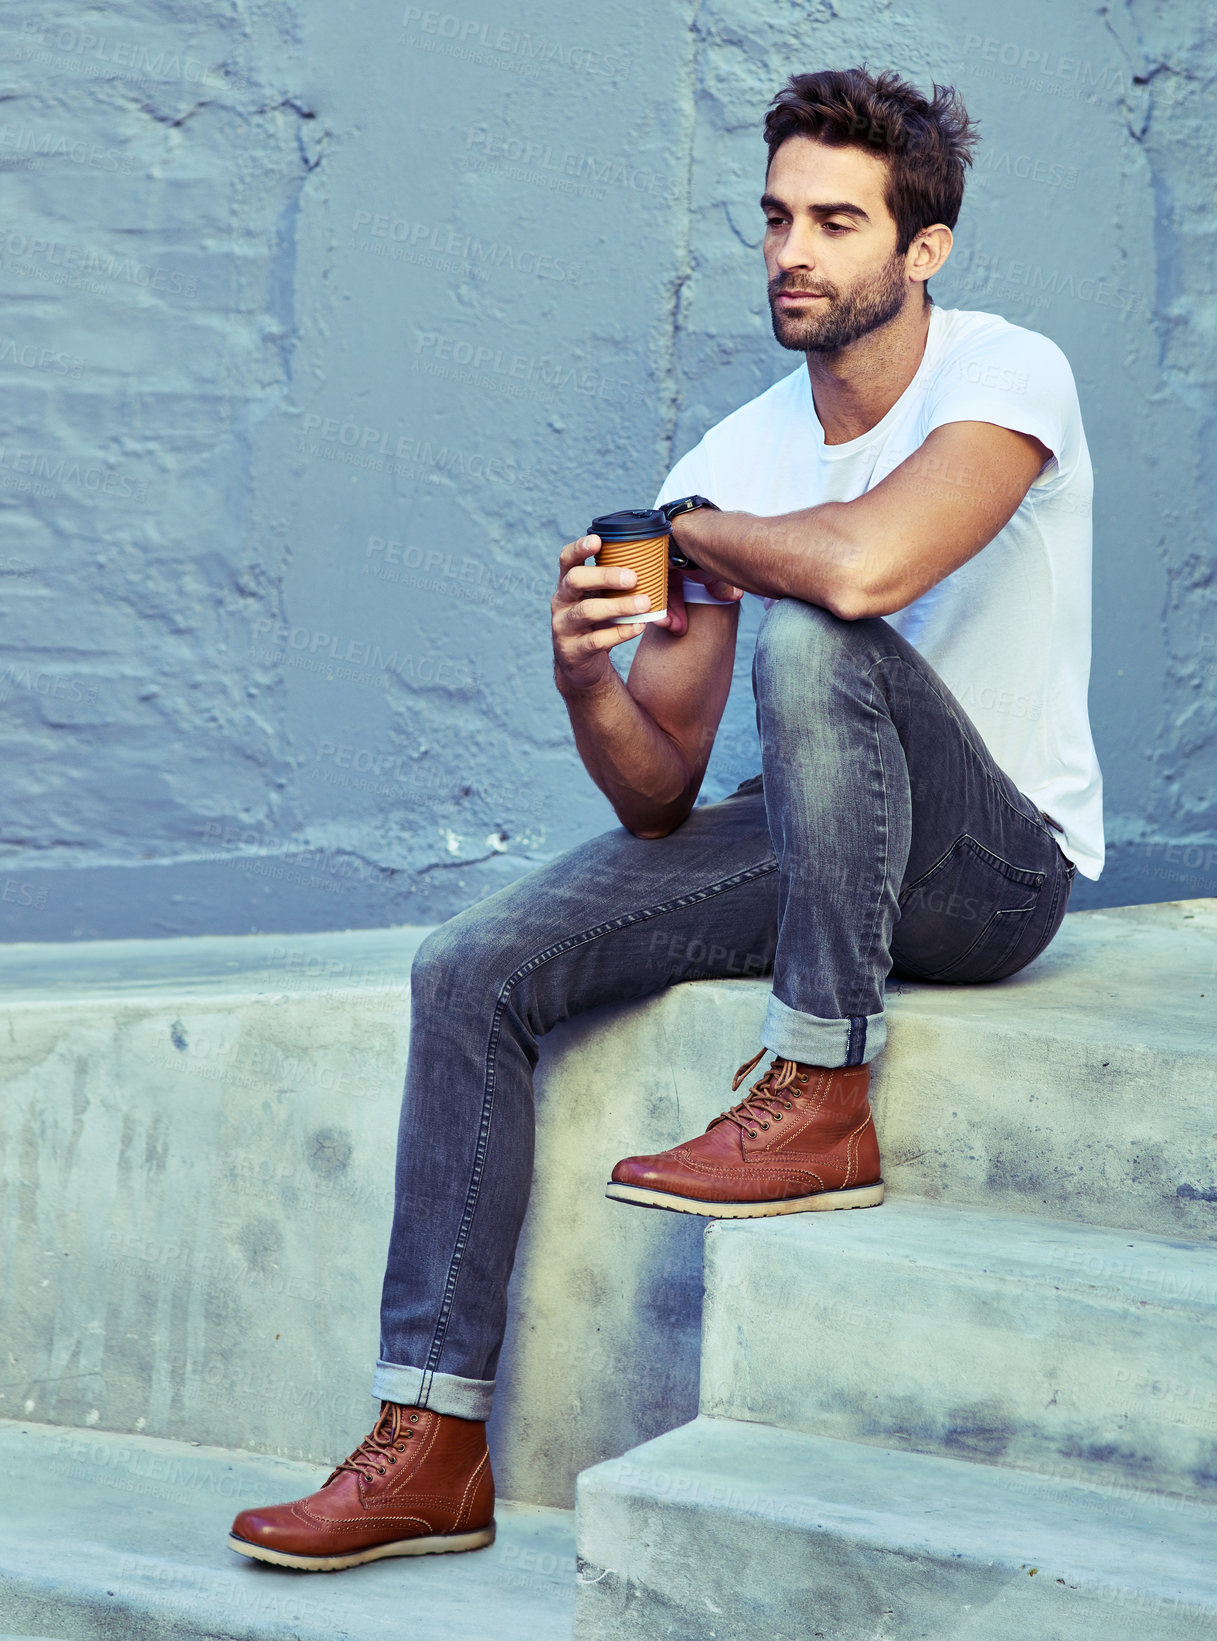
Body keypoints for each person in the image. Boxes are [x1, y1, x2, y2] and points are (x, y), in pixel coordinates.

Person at [228, 66, 1102, 1570]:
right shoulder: (732, 458)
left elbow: (866, 572)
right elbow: (657, 795)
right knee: (469, 964)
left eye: (836, 220)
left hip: (988, 868)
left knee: (815, 632)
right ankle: (428, 1439)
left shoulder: (1005, 374)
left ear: (923, 249)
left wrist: (699, 548)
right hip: (804, 838)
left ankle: (819, 1088)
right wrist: (583, 680)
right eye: (774, 218)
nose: (792, 252)